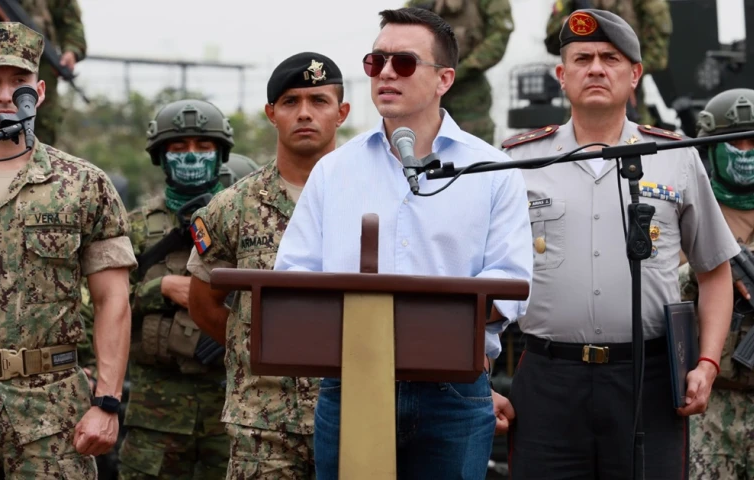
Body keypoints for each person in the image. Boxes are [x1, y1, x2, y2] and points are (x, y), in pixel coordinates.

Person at [273, 8, 533, 479]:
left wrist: (442, 322)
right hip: (352, 381)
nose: (387, 73)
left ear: (444, 79)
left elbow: (510, 281)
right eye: (377, 62)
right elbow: (294, 274)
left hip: (452, 390)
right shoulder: (335, 171)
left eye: (405, 63)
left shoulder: (492, 170)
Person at [501, 9, 737, 479]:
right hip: (549, 379)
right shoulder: (513, 161)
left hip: (649, 379)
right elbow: (478, 276)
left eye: (610, 58)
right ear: (561, 75)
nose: (595, 68)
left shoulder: (675, 156)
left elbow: (714, 271)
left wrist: (708, 363)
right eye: (582, 58)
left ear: (635, 76)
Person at [0, 21, 136, 478]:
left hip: (54, 417)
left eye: (17, 83)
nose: (3, 94)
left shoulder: (82, 184)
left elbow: (112, 299)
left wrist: (108, 403)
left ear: (39, 92)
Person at [186, 52, 351, 479]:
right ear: (271, 114)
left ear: (342, 113)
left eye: (319, 101)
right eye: (290, 102)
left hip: (356, 410)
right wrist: (259, 349)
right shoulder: (233, 206)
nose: (305, 113)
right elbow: (204, 302)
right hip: (263, 423)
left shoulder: (373, 197)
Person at [114, 99, 250, 479]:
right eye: (178, 148)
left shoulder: (242, 222)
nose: (191, 157)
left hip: (228, 407)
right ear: (161, 155)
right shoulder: (134, 227)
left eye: (203, 147)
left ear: (220, 153)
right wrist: (161, 288)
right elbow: (99, 304)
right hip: (155, 409)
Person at [680, 88, 754, 480]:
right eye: (734, 141)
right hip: (712, 401)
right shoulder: (691, 207)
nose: (745, 151)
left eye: (753, 141)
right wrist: (711, 272)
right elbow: (658, 290)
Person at [0, 0, 87, 147]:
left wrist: (71, 52)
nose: (6, 96)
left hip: (38, 72)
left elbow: (71, 24)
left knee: (40, 145)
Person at [544, 0, 672, 126]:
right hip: (582, 108)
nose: (597, 68)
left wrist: (626, 72)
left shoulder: (646, 4)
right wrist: (567, 25)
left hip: (629, 99)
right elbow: (552, 43)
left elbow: (658, 56)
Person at [407, 0, 513, 145]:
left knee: (474, 151)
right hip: (426, 89)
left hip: (468, 90)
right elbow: (402, 32)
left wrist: (461, 70)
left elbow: (499, 37)